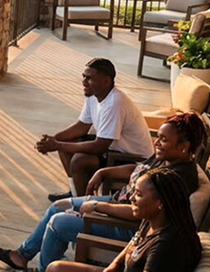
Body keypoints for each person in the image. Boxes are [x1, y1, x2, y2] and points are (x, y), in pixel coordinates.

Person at [0, 113, 205, 272]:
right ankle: (21, 256)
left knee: (59, 223)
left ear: (184, 146)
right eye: (158, 136)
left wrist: (98, 207)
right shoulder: (167, 160)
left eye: (164, 139)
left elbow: (141, 215)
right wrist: (104, 172)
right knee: (57, 207)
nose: (157, 142)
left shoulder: (178, 177)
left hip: (125, 224)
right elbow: (139, 168)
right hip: (117, 203)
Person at [36, 167, 203, 272]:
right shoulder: (153, 220)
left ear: (160, 203)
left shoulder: (168, 246)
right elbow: (134, 241)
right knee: (54, 271)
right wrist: (115, 264)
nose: (131, 197)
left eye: (138, 194)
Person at [36, 58, 154, 200]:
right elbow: (82, 126)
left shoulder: (115, 104)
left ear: (107, 81)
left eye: (90, 78)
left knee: (80, 161)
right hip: (113, 148)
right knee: (66, 142)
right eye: (84, 77)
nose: (84, 82)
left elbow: (99, 146)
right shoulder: (94, 94)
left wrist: (57, 144)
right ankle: (75, 193)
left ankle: (81, 205)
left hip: (132, 159)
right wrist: (53, 140)